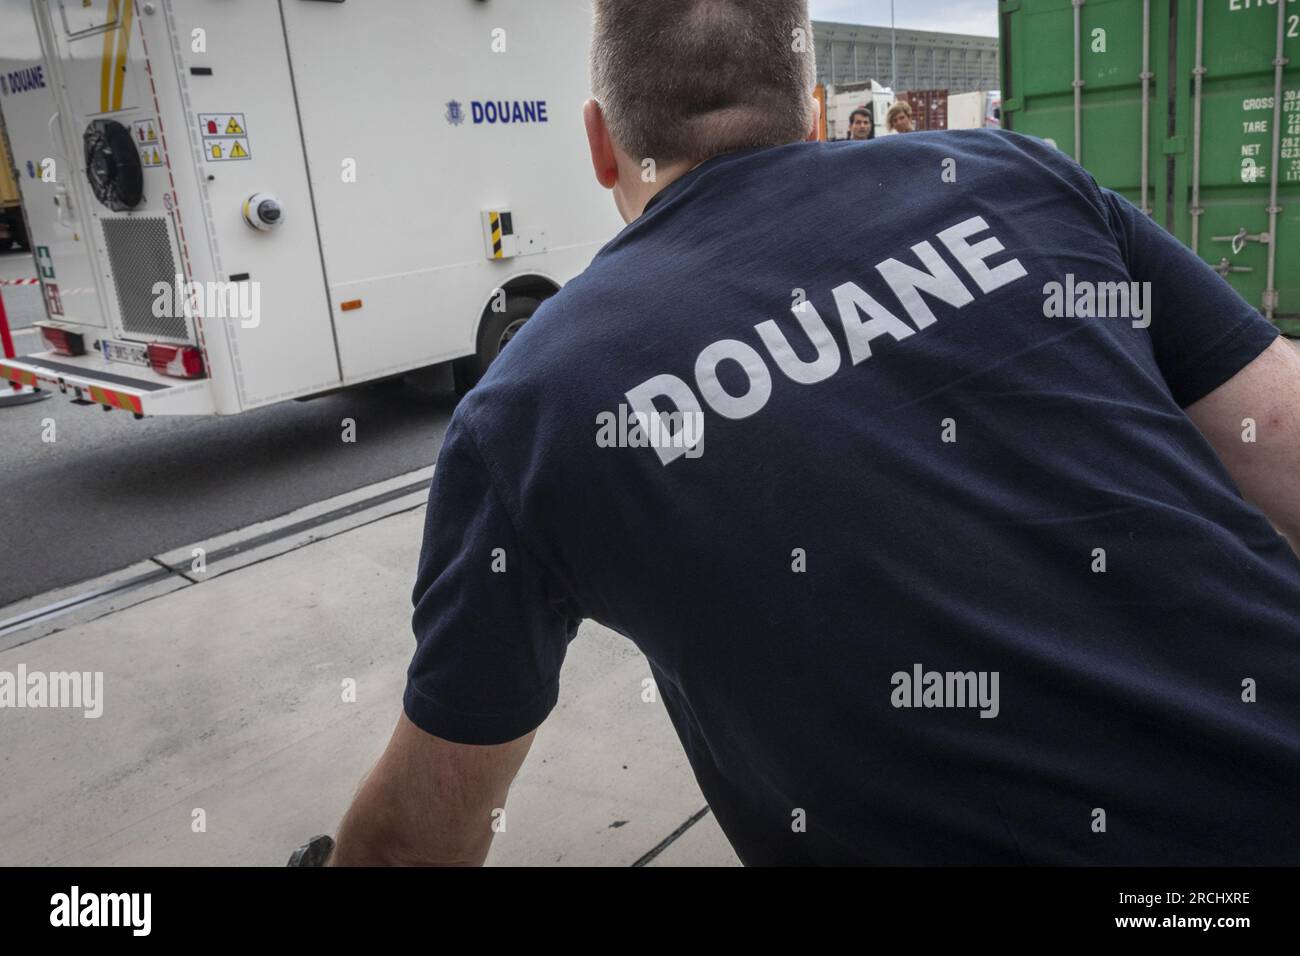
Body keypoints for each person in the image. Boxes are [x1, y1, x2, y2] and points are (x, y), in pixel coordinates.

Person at [329, 0, 1300, 866]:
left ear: (598, 143)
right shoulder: (1022, 179)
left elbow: (423, 830)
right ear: (813, 107)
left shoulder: (530, 402)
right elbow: (1283, 442)